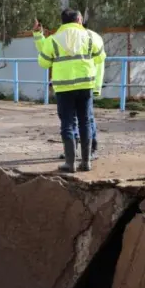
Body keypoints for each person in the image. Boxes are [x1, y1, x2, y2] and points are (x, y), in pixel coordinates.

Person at [34, 9, 105, 172]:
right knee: (85, 121)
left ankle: (70, 163)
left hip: (64, 88)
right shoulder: (91, 36)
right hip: (85, 86)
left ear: (62, 22)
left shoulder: (53, 40)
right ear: (79, 20)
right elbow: (100, 57)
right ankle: (86, 162)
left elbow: (43, 63)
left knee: (67, 123)